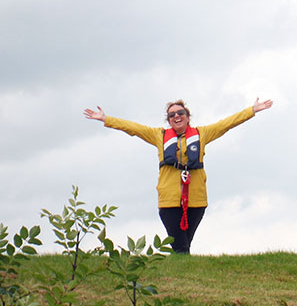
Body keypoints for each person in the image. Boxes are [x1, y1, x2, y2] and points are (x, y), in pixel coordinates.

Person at [83, 98, 273, 253]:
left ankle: (182, 279)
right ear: (168, 120)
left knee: (184, 246)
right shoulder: (158, 135)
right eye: (171, 115)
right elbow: (133, 128)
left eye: (180, 113)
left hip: (196, 200)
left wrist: (252, 110)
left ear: (188, 117)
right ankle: (186, 282)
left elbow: (226, 124)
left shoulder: (202, 134)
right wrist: (106, 119)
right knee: (181, 247)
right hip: (169, 201)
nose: (176, 116)